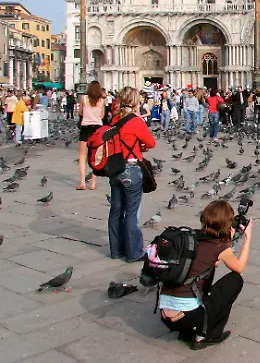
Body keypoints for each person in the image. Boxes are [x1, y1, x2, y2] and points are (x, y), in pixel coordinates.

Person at [159, 200, 250, 350]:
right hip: (188, 317)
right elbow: (239, 268)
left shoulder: (189, 238)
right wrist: (247, 238)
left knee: (199, 282)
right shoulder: (218, 246)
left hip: (166, 316)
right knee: (235, 280)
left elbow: (212, 264)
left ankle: (187, 331)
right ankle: (206, 335)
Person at [107, 86, 156, 262]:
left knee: (116, 211)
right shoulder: (135, 121)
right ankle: (134, 252)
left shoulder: (114, 120)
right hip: (131, 168)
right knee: (131, 213)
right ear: (136, 102)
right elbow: (151, 142)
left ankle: (116, 250)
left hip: (114, 170)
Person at [78, 81, 104, 190]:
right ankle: (93, 183)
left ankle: (83, 182)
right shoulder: (102, 100)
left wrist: (87, 113)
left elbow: (80, 112)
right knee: (95, 156)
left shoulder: (83, 98)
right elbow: (102, 115)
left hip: (86, 128)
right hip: (97, 128)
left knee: (82, 156)